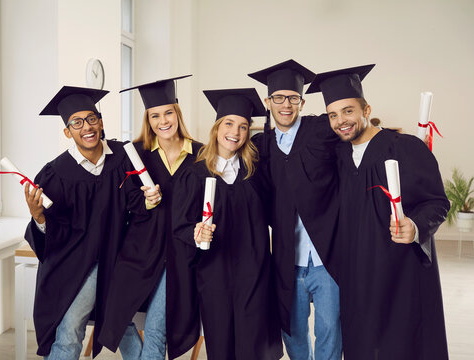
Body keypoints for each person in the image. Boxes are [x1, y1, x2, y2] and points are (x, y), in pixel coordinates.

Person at [306, 64, 450, 359]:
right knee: (361, 344)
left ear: (366, 109)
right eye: (333, 115)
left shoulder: (404, 147)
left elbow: (437, 202)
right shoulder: (340, 156)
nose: (340, 121)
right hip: (357, 275)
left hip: (401, 274)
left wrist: (416, 226)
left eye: (348, 111)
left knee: (402, 345)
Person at [24, 86, 147, 359]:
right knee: (71, 331)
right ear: (67, 132)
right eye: (76, 123)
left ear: (101, 122)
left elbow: (140, 207)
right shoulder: (55, 173)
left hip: (119, 259)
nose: (86, 127)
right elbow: (49, 237)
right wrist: (38, 217)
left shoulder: (124, 159)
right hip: (72, 267)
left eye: (91, 119)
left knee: (119, 322)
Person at [171, 88, 283, 360]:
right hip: (213, 273)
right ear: (217, 127)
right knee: (220, 344)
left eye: (243, 126)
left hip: (254, 271)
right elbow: (180, 226)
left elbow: (276, 212)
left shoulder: (255, 171)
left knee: (252, 343)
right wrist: (196, 233)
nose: (236, 132)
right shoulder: (194, 173)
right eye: (229, 124)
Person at [97, 75, 202, 360]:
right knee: (114, 315)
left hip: (179, 255)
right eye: (155, 115)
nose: (163, 121)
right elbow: (126, 200)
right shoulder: (135, 154)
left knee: (156, 331)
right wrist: (145, 201)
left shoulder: (202, 155)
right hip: (139, 250)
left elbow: (209, 205)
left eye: (168, 113)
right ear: (148, 119)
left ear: (177, 113)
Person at [248, 60, 342, 360]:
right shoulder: (261, 145)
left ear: (301, 102)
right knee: (292, 329)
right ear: (268, 101)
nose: (285, 105)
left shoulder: (319, 130)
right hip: (289, 258)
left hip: (327, 256)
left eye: (292, 98)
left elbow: (352, 134)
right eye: (278, 98)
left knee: (330, 328)